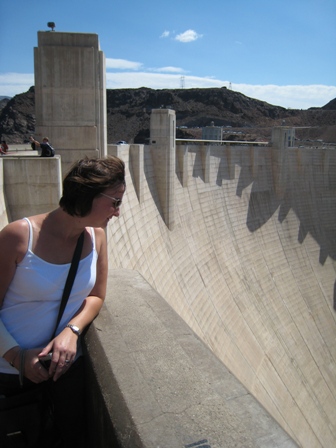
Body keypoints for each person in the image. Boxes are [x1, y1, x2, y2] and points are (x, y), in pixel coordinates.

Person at [0, 156, 126, 447]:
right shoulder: (19, 237)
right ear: (87, 196)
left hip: (64, 373)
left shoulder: (97, 237)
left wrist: (72, 331)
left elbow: (96, 295)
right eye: (115, 202)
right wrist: (16, 355)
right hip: (9, 375)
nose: (118, 213)